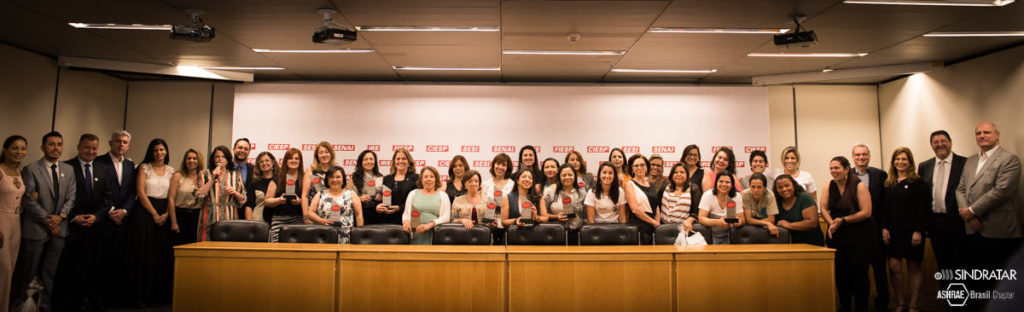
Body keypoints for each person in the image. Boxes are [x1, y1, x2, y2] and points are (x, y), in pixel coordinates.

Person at [956, 122, 1021, 302]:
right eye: (978, 133)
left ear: (997, 135)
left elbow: (1002, 191)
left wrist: (971, 210)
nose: (982, 136)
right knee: (978, 283)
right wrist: (968, 216)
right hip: (973, 230)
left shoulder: (1010, 159)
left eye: (986, 132)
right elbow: (960, 189)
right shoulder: (971, 161)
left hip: (999, 232)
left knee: (1000, 285)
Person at [12, 131, 75, 312]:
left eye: (59, 144)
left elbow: (72, 197)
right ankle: (24, 307)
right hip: (36, 228)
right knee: (28, 273)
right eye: (51, 144)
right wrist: (49, 221)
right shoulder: (31, 169)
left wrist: (61, 217)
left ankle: (44, 307)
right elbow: (28, 200)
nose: (56, 148)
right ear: (43, 147)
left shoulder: (68, 170)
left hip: (60, 229)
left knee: (50, 273)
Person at [55, 134, 113, 311]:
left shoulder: (103, 169)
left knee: (92, 267)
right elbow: (62, 197)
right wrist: (73, 217)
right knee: (70, 267)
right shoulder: (66, 167)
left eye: (94, 148)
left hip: (95, 227)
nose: (91, 151)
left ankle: (87, 302)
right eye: (87, 147)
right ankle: (70, 303)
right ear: (79, 147)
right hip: (72, 226)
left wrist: (96, 216)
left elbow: (107, 197)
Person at [820, 156, 875, 312]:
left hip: (859, 237)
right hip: (837, 235)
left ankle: (861, 307)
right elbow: (823, 208)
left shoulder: (859, 186)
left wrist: (843, 220)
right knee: (841, 276)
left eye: (837, 168)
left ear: (846, 169)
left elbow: (866, 212)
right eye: (831, 168)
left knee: (859, 276)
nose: (833, 171)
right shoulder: (828, 185)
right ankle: (845, 307)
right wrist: (832, 223)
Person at [917, 130, 967, 298]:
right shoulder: (925, 166)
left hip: (958, 223)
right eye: (936, 142)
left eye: (943, 141)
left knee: (960, 264)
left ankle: (963, 302)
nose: (940, 145)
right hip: (935, 224)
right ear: (931, 146)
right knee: (943, 264)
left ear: (950, 142)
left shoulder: (965, 163)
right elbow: (922, 197)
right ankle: (950, 299)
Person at [881, 147, 930, 312]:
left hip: (912, 232)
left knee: (913, 267)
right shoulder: (889, 183)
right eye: (897, 159)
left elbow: (923, 209)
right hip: (893, 232)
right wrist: (884, 228)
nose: (900, 162)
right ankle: (901, 302)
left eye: (904, 159)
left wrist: (918, 230)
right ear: (893, 162)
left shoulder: (917, 182)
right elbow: (885, 209)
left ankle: (914, 304)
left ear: (910, 162)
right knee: (894, 266)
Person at [128, 138, 175, 307]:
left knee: (160, 254)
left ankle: (159, 296)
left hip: (166, 211)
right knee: (143, 254)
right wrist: (155, 214)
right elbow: (140, 193)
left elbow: (172, 196)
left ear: (166, 151)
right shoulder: (144, 168)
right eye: (155, 150)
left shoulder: (171, 171)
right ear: (151, 152)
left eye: (162, 150)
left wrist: (167, 214)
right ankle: (140, 296)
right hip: (145, 212)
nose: (159, 153)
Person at [91, 130, 134, 307]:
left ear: (128, 145)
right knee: (100, 261)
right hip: (104, 218)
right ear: (110, 143)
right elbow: (97, 191)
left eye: (124, 142)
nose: (121, 145)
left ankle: (115, 299)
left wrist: (124, 211)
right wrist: (110, 210)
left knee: (119, 260)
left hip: (123, 220)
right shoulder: (99, 162)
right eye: (117, 141)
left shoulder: (131, 165)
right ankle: (98, 300)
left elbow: (132, 192)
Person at [850, 143, 890, 312]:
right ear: (853, 157)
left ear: (869, 156)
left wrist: (886, 227)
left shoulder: (880, 175)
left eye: (864, 154)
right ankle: (861, 306)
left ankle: (883, 304)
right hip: (856, 232)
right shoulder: (847, 175)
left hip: (877, 230)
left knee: (880, 270)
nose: (861, 158)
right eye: (858, 155)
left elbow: (887, 204)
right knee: (859, 272)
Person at [196, 146, 246, 241]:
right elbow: (198, 195)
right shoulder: (204, 173)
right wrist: (212, 179)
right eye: (217, 156)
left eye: (223, 156)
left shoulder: (235, 174)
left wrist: (234, 192)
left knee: (228, 245)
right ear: (213, 159)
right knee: (207, 244)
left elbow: (243, 198)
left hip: (229, 215)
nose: (220, 159)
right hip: (210, 215)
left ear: (227, 159)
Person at [0, 135, 27, 312]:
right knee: (4, 268)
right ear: (5, 150)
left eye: (23, 148)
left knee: (10, 271)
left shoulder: (20, 172)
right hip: (1, 222)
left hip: (16, 223)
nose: (19, 152)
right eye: (14, 148)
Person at [308, 166, 363, 243]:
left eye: (338, 177)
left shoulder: (351, 194)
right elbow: (310, 212)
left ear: (343, 179)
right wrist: (321, 220)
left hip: (347, 237)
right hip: (324, 236)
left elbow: (359, 215)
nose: (335, 180)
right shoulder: (320, 194)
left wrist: (359, 235)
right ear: (327, 179)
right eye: (332, 177)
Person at [402, 166, 450, 245]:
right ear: (421, 179)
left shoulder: (443, 195)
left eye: (432, 176)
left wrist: (429, 225)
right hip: (414, 235)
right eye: (426, 177)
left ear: (436, 179)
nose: (428, 179)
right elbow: (406, 213)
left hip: (434, 235)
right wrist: (405, 222)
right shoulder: (413, 193)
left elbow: (446, 217)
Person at [264, 148, 304, 242]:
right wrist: (279, 200)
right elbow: (267, 201)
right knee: (276, 251)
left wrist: (299, 201)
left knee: (296, 252)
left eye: (296, 158)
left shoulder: (305, 178)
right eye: (290, 158)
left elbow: (310, 201)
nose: (293, 161)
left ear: (300, 161)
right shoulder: (277, 178)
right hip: (279, 220)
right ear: (286, 161)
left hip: (298, 220)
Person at [773, 174, 825, 246]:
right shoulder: (776, 202)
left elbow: (812, 223)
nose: (784, 189)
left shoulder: (805, 198)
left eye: (787, 185)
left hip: (811, 244)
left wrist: (788, 225)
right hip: (789, 244)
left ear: (794, 185)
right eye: (780, 187)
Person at [168, 149, 206, 245]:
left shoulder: (203, 177)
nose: (191, 161)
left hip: (197, 217)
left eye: (194, 158)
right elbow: (171, 199)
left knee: (194, 248)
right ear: (185, 161)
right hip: (180, 215)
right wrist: (174, 222)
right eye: (188, 158)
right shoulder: (178, 176)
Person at [540, 165, 585, 244]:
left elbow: (587, 214)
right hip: (556, 233)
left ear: (575, 176)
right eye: (564, 175)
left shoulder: (582, 193)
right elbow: (543, 214)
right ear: (559, 177)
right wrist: (556, 217)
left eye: (570, 175)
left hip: (578, 234)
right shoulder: (550, 192)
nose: (567, 177)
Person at [697, 171, 744, 244]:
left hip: (730, 235)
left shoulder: (736, 196)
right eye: (721, 181)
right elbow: (701, 218)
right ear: (716, 183)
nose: (724, 184)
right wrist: (718, 222)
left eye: (727, 182)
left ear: (732, 185)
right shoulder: (708, 195)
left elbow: (742, 220)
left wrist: (736, 222)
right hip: (711, 235)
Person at [623, 154, 661, 244]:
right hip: (638, 228)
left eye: (642, 165)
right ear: (632, 168)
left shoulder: (651, 184)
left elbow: (656, 206)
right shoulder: (629, 184)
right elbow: (635, 210)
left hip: (653, 227)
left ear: (647, 167)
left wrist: (657, 223)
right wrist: (654, 222)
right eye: (636, 165)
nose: (639, 168)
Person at [377, 148, 418, 225]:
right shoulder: (387, 179)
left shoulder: (416, 178)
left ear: (409, 162)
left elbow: (418, 201)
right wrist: (379, 206)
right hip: (389, 219)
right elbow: (385, 199)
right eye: (398, 159)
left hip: (409, 219)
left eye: (404, 159)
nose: (400, 161)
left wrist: (400, 208)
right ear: (394, 162)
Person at [482, 153, 514, 244]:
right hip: (489, 226)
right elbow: (482, 206)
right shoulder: (485, 184)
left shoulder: (513, 185)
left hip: (508, 227)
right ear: (493, 165)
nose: (500, 167)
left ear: (508, 168)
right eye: (498, 164)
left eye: (504, 165)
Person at [302, 142, 335, 224]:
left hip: (332, 215)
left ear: (331, 154)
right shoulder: (311, 171)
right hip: (314, 216)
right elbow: (305, 196)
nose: (324, 155)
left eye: (326, 152)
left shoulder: (336, 170)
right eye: (321, 152)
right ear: (317, 156)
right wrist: (306, 217)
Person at [661, 163, 697, 233]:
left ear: (687, 175)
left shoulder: (693, 189)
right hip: (664, 228)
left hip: (683, 229)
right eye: (676, 172)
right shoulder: (665, 187)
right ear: (672, 175)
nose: (679, 174)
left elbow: (696, 211)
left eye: (682, 172)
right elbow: (658, 207)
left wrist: (689, 221)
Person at [243, 152, 278, 223]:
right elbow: (249, 205)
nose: (264, 163)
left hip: (277, 221)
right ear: (258, 165)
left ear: (272, 162)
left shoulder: (280, 181)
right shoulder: (254, 182)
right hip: (258, 221)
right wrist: (249, 224)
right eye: (261, 161)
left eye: (267, 160)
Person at [351, 150, 383, 225]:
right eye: (365, 159)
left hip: (377, 215)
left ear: (375, 161)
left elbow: (387, 197)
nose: (369, 161)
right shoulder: (354, 178)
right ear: (361, 162)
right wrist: (359, 199)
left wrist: (381, 196)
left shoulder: (381, 177)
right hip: (360, 214)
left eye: (371, 159)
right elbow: (346, 198)